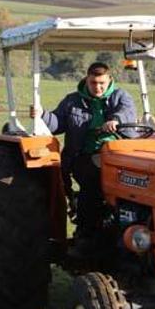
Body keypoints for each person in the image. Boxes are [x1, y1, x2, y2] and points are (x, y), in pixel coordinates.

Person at [35, 62, 136, 253]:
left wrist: (116, 120)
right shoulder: (73, 101)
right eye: (93, 83)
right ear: (87, 80)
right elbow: (57, 124)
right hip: (83, 155)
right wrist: (43, 115)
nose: (97, 88)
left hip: (117, 152)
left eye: (101, 84)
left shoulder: (121, 97)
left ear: (109, 81)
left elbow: (126, 112)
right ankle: (87, 234)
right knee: (93, 182)